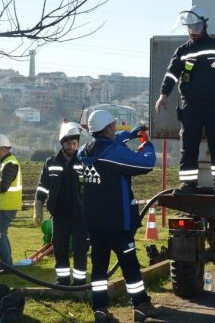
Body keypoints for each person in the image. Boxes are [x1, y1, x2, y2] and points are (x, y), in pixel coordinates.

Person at [78, 110, 164, 323]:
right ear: (108, 128)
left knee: (99, 267)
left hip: (94, 223)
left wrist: (130, 134)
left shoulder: (84, 151)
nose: (116, 127)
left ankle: (100, 309)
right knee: (130, 265)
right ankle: (141, 306)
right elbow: (145, 163)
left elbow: (106, 142)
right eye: (114, 125)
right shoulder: (113, 154)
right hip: (117, 222)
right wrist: (146, 143)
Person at [154, 5, 215, 196]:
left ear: (205, 25)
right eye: (190, 28)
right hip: (190, 105)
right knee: (189, 145)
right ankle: (188, 184)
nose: (193, 31)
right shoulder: (183, 51)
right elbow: (171, 74)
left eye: (197, 27)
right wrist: (163, 94)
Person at [34, 121, 88, 286]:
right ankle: (63, 279)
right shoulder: (51, 163)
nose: (72, 147)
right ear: (62, 143)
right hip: (59, 215)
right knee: (60, 248)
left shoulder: (83, 162)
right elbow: (42, 188)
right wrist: (38, 209)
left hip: (80, 215)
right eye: (68, 143)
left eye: (74, 143)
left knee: (80, 249)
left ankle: (80, 281)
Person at [0, 134, 22, 273]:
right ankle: (7, 264)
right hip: (6, 205)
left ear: (3, 149)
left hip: (8, 205)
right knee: (1, 234)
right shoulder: (7, 162)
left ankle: (7, 266)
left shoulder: (10, 163)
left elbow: (3, 186)